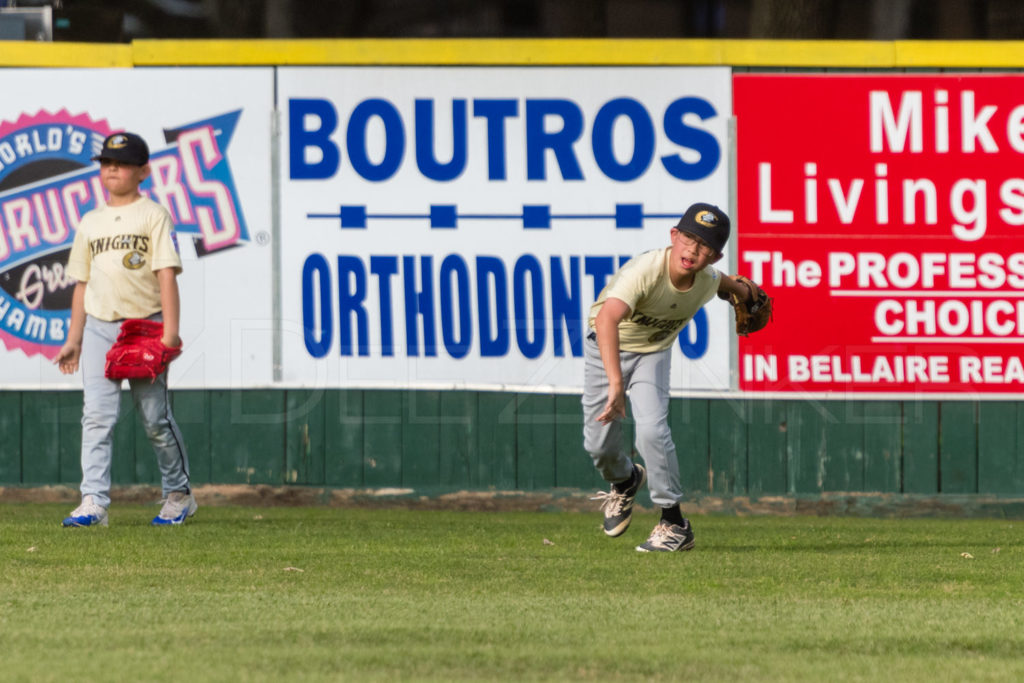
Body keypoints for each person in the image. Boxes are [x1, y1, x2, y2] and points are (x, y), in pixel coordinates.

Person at [583, 202, 761, 552]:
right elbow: (606, 321)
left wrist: (748, 297)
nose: (693, 250)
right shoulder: (645, 271)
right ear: (674, 236)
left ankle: (674, 523)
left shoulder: (708, 279)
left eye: (705, 245)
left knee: (652, 431)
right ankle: (625, 479)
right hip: (605, 347)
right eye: (689, 238)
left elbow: (732, 287)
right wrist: (616, 384)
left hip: (653, 352)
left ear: (715, 255)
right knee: (598, 444)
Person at [54, 132, 196, 527]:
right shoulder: (91, 221)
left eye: (122, 162)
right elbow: (82, 283)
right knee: (97, 417)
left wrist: (169, 333)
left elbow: (166, 275)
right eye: (106, 162)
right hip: (100, 328)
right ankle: (93, 501)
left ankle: (178, 493)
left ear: (144, 171)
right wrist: (73, 339)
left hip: (145, 326)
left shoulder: (153, 215)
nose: (112, 168)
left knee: (155, 419)